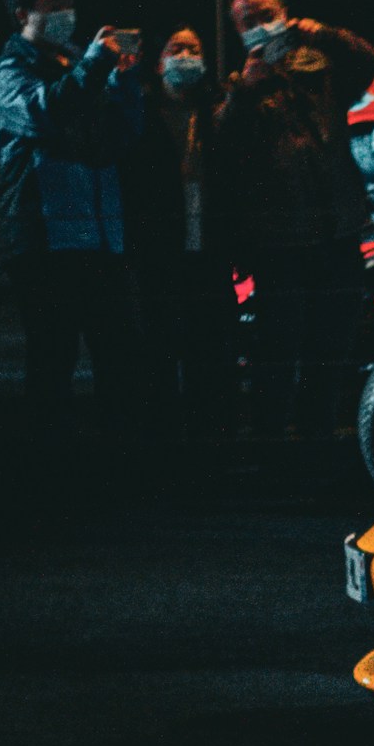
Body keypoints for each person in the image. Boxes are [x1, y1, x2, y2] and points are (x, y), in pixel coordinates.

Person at [214, 0, 374, 438]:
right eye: (248, 22)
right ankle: (270, 445)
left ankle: (317, 440)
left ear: (285, 13)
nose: (260, 27)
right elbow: (223, 146)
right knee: (279, 348)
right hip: (280, 242)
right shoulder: (237, 86)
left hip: (336, 233)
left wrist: (322, 34)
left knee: (332, 345)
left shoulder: (320, 73)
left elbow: (369, 61)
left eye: (267, 15)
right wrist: (245, 91)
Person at [0, 0, 145, 451]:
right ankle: (50, 463)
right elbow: (46, 114)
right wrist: (97, 64)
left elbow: (124, 137)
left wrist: (122, 83)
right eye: (50, 7)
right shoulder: (11, 69)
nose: (64, 14)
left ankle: (121, 454)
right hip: (44, 236)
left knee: (116, 351)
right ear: (21, 15)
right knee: (53, 354)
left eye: (67, 4)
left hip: (100, 233)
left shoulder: (79, 62)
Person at [125, 26, 234, 439]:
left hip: (209, 247)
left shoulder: (216, 109)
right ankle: (163, 440)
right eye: (176, 48)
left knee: (211, 351)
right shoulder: (142, 110)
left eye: (194, 47)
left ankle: (211, 439)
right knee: (159, 349)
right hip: (159, 251)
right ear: (158, 62)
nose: (185, 54)